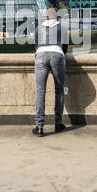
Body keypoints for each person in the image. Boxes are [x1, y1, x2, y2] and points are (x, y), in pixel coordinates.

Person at [33, 7, 68, 137]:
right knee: (59, 90)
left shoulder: (38, 28)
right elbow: (65, 48)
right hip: (57, 55)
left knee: (40, 91)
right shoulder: (62, 28)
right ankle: (58, 123)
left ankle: (39, 126)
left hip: (41, 55)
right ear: (57, 17)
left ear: (46, 18)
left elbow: (36, 46)